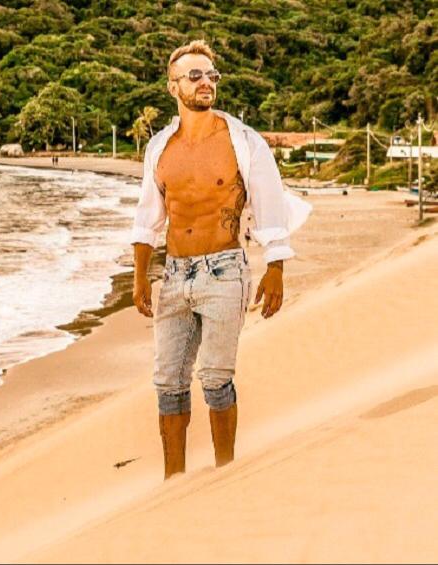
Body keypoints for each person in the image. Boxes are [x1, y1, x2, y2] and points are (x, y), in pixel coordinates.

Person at [128, 39, 312, 480]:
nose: (205, 82)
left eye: (211, 75)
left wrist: (275, 267)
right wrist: (140, 277)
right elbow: (148, 217)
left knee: (215, 377)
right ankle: (173, 482)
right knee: (168, 383)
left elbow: (269, 204)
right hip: (174, 274)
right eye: (194, 76)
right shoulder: (159, 147)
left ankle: (225, 475)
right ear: (173, 87)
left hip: (225, 271)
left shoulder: (243, 141)